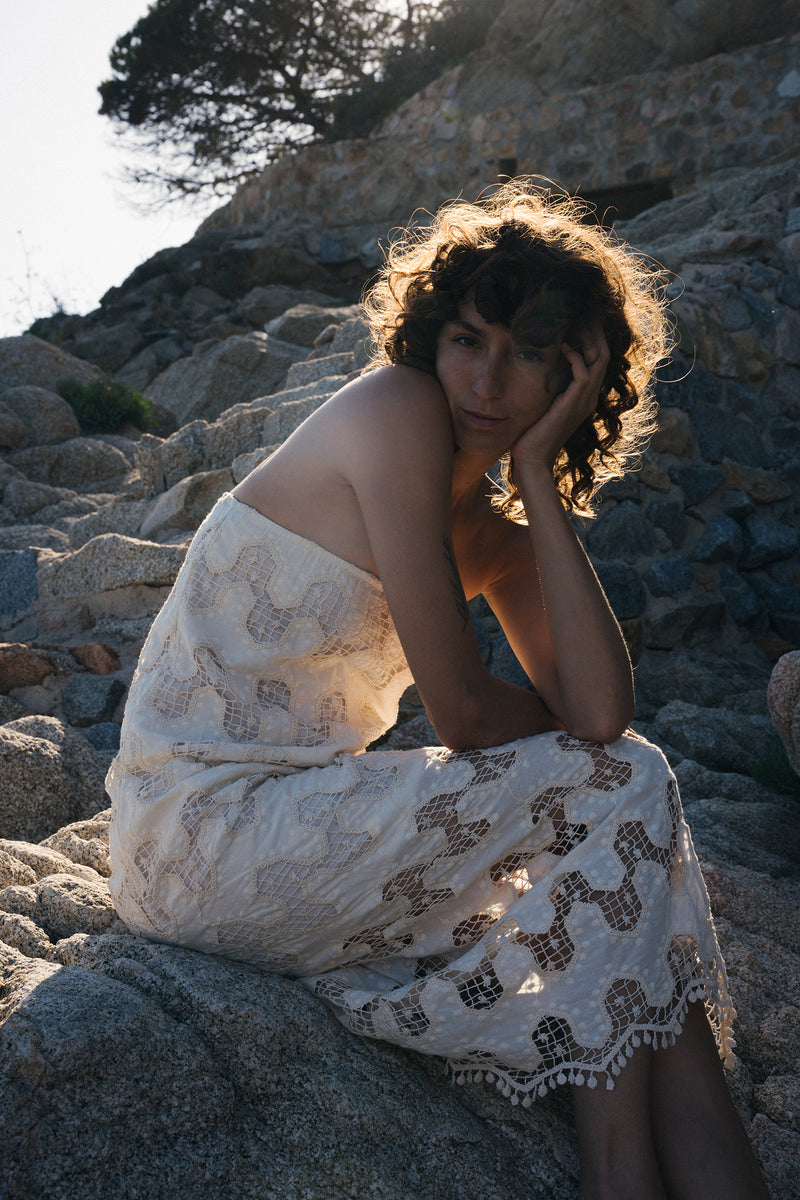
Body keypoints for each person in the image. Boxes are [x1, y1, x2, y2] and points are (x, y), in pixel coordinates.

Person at [107, 182, 770, 1199]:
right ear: (431, 337)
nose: (485, 379)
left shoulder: (491, 535)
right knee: (621, 793)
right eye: (467, 338)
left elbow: (596, 716)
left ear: (572, 376)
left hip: (277, 830)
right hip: (202, 832)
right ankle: (616, 1174)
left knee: (630, 885)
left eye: (527, 356)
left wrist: (539, 480)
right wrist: (563, 749)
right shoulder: (393, 412)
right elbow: (464, 715)